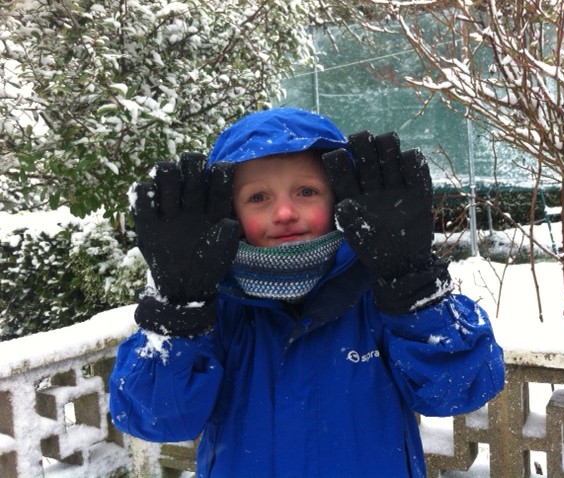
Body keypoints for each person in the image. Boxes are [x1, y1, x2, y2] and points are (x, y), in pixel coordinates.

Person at [109, 107, 505, 478]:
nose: (284, 213)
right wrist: (178, 309)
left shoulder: (379, 294)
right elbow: (156, 416)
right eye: (258, 197)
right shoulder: (215, 308)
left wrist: (413, 283)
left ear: (337, 199)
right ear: (230, 211)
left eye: (306, 192)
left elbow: (462, 389)